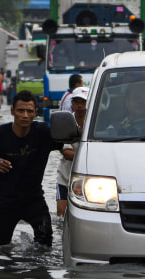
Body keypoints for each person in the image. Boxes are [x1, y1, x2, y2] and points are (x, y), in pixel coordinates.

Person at [0, 90, 64, 247]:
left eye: (29, 111)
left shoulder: (43, 133)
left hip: (34, 201)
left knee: (46, 245)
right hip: (5, 203)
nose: (25, 115)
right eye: (21, 110)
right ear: (12, 111)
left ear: (35, 113)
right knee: (1, 251)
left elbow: (71, 142)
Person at [56, 86, 89, 216]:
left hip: (86, 178)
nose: (80, 106)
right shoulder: (66, 122)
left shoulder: (95, 124)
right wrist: (88, 157)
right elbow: (66, 153)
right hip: (65, 177)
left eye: (83, 102)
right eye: (77, 102)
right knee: (61, 214)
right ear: (72, 103)